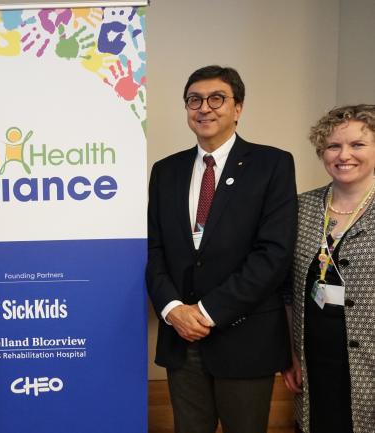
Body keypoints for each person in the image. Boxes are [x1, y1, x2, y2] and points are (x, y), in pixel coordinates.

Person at [146, 65, 297, 433]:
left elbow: (273, 254)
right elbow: (154, 249)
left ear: (238, 108)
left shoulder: (272, 164)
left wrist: (207, 312)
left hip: (246, 337)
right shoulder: (166, 170)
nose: (204, 108)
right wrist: (172, 310)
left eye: (217, 98)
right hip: (181, 338)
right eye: (194, 100)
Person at [282, 104, 375, 433]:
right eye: (333, 146)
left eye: (358, 145)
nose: (344, 154)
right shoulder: (300, 206)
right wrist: (291, 354)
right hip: (314, 359)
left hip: (369, 363)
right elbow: (288, 289)